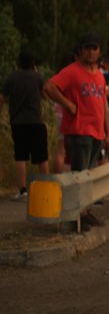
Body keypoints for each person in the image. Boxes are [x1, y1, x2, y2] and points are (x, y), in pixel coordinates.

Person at [43, 33, 109, 228]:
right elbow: (49, 87)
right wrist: (68, 104)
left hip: (97, 132)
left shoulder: (99, 74)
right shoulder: (72, 71)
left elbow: (103, 103)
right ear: (81, 51)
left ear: (99, 51)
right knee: (79, 174)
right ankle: (74, 216)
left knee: (88, 175)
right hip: (80, 130)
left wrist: (107, 131)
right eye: (87, 48)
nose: (91, 52)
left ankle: (85, 211)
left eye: (94, 48)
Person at [1, 50, 49, 201]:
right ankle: (45, 188)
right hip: (36, 121)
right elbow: (45, 95)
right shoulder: (37, 77)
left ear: (19, 62)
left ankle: (22, 190)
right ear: (33, 63)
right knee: (41, 157)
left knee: (20, 156)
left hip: (18, 122)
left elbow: (2, 97)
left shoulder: (12, 77)